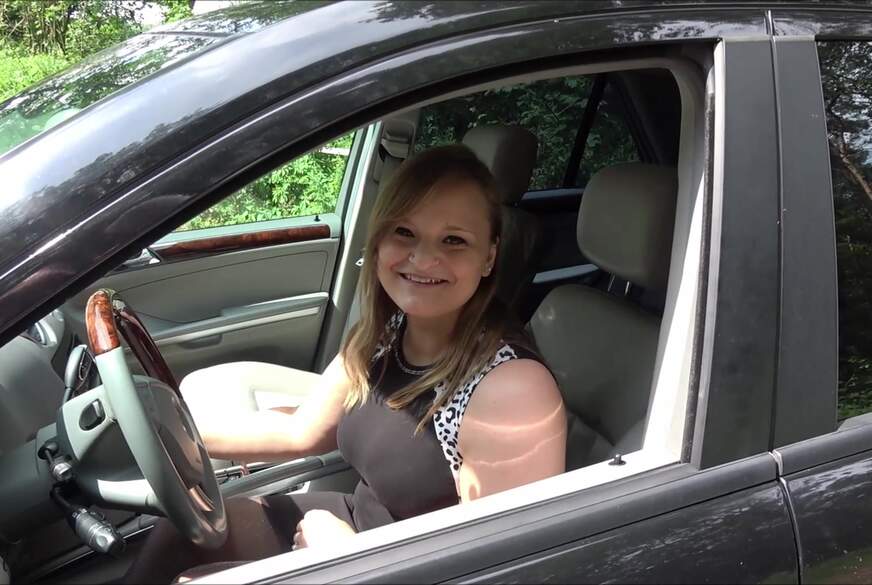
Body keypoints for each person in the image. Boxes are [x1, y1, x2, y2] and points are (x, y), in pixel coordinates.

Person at [124, 144, 566, 583]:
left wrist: (345, 557)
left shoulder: (510, 389)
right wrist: (169, 439)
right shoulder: (386, 332)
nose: (423, 258)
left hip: (387, 565)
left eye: (454, 240)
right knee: (178, 536)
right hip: (354, 529)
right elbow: (303, 431)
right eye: (404, 232)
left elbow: (496, 571)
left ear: (489, 256)